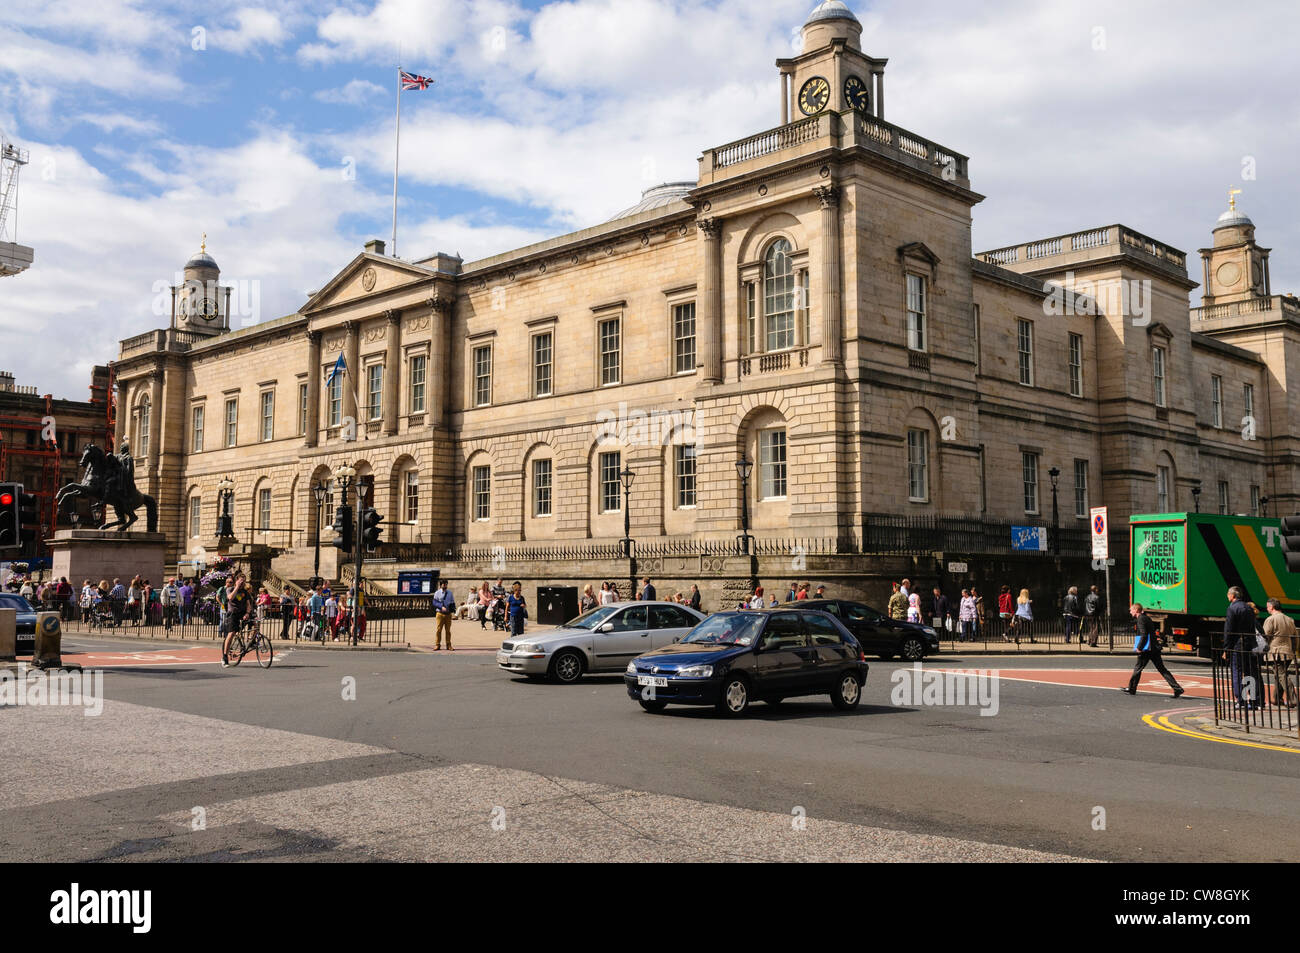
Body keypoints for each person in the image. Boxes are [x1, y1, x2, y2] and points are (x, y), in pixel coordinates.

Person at [1120, 603, 1184, 697]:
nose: (1130, 612)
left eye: (1131, 610)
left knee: (1138, 669)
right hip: (1154, 648)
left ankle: (1131, 688)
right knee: (1162, 669)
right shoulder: (1146, 618)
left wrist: (1139, 647)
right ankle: (1177, 688)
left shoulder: (1140, 619)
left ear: (1136, 610)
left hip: (1146, 649)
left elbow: (1144, 634)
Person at [1223, 586, 1263, 709]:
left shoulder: (1232, 608)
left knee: (1237, 672)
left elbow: (1229, 630)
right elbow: (1252, 629)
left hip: (1237, 644)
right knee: (1249, 672)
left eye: (1228, 594)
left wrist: (1226, 648)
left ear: (1232, 596)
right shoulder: (1248, 608)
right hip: (1249, 644)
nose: (1227, 596)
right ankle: (1253, 701)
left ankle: (1240, 700)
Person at [1263, 598, 1297, 708]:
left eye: (1268, 607)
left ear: (1271, 607)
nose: (1267, 609)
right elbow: (1294, 637)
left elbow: (1265, 636)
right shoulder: (1289, 619)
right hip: (1288, 651)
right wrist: (1293, 650)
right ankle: (1276, 699)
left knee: (1282, 675)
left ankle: (1293, 699)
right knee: (1280, 675)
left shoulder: (1270, 619)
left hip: (1276, 652)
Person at [220, 577, 251, 667]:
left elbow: (248, 604)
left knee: (255, 622)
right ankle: (225, 657)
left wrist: (248, 613)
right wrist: (237, 587)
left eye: (243, 581)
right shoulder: (230, 589)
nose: (242, 583)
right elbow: (230, 597)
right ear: (236, 581)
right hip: (233, 613)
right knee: (232, 633)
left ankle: (252, 642)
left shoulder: (245, 592)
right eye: (240, 581)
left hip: (242, 613)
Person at [432, 579, 456, 651]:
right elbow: (434, 602)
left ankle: (448, 645)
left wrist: (453, 609)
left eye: (446, 584)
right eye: (444, 584)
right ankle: (437, 645)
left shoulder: (450, 593)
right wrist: (441, 606)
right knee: (439, 630)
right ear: (441, 585)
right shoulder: (437, 593)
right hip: (440, 613)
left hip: (448, 614)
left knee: (448, 631)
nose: (445, 585)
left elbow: (452, 602)